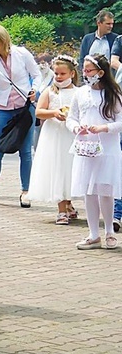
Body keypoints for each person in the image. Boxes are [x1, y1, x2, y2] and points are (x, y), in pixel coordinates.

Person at [0, 25, 40, 208]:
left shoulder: (22, 54)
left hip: (25, 106)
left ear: (3, 40)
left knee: (26, 151)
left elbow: (36, 75)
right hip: (4, 108)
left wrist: (36, 89)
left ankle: (25, 191)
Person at [66, 54, 122, 250]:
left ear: (101, 72)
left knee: (105, 190)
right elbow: (71, 117)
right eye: (84, 69)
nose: (85, 73)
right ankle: (93, 233)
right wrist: (76, 128)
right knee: (89, 191)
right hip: (85, 147)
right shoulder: (80, 93)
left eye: (89, 70)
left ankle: (109, 230)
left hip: (107, 148)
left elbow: (120, 122)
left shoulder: (113, 94)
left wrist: (104, 128)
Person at [30, 55, 79, 225]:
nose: (58, 77)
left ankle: (69, 203)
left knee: (70, 169)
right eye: (56, 73)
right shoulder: (49, 91)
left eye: (62, 74)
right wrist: (53, 113)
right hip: (53, 135)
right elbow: (39, 111)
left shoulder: (78, 92)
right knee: (58, 169)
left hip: (70, 135)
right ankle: (61, 209)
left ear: (72, 73)